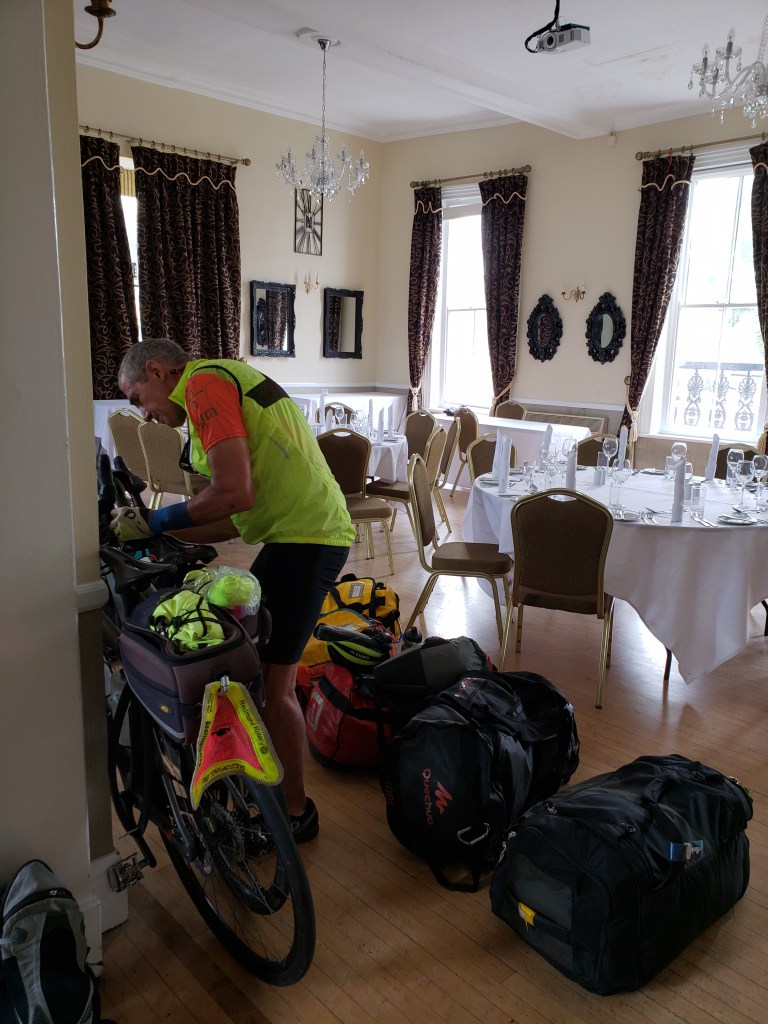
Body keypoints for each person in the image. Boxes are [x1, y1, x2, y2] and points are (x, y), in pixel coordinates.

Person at [112, 339, 355, 842]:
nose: (145, 415)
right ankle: (269, 785)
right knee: (257, 669)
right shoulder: (218, 381)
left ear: (157, 372)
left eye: (138, 399)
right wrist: (156, 532)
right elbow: (229, 522)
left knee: (273, 679)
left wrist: (156, 518)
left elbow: (233, 492)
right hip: (295, 534)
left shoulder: (201, 383)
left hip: (308, 539)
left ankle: (294, 816)